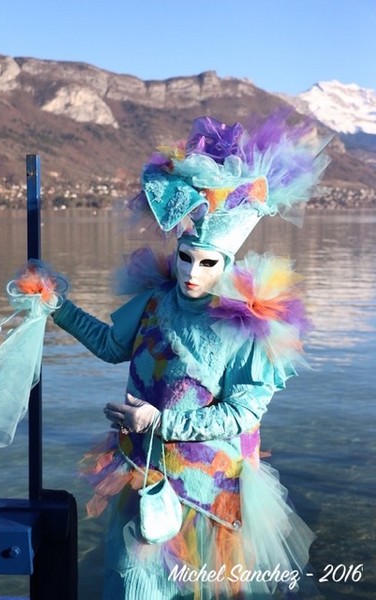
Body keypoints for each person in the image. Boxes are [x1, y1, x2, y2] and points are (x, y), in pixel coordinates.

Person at [52, 112, 330, 599]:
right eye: (186, 257)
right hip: (144, 472)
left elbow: (243, 413)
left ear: (226, 263)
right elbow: (112, 345)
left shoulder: (246, 325)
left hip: (208, 488)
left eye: (207, 263)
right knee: (134, 583)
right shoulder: (155, 300)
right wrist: (58, 306)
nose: (192, 273)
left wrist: (160, 421)